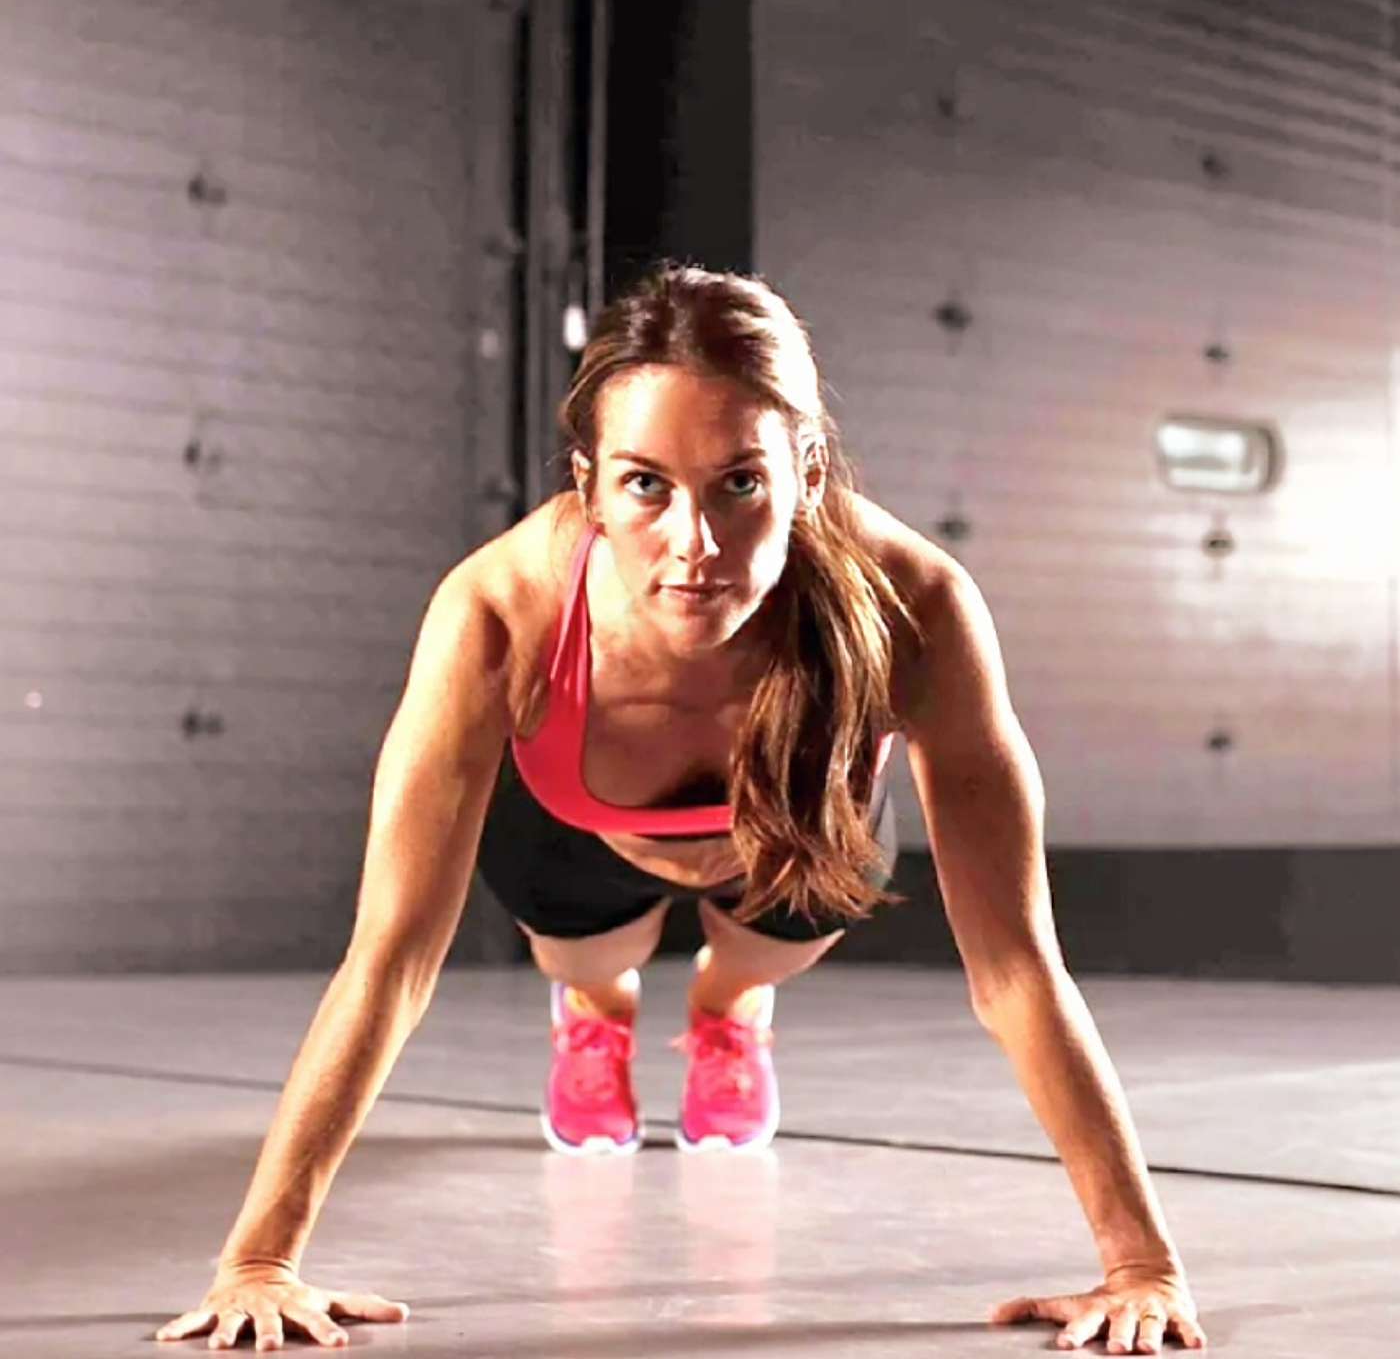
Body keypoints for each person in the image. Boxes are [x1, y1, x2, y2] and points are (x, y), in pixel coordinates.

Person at [156, 265, 1207, 1355]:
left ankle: (729, 1010)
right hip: (575, 837)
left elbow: (1016, 968)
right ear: (590, 485)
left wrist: (1140, 1266)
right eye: (646, 486)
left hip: (789, 838)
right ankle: (595, 1009)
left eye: (739, 483)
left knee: (757, 960)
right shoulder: (498, 611)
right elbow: (390, 962)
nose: (694, 542)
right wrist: (259, 1261)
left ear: (806, 472)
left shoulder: (918, 604)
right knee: (588, 959)